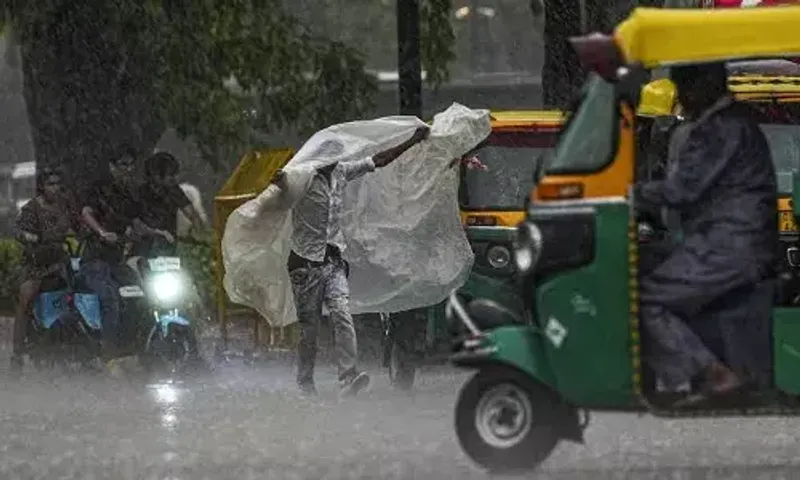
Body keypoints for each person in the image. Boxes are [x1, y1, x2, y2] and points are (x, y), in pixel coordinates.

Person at [634, 62, 778, 405]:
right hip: (729, 240)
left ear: (707, 85)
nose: (682, 98)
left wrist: (626, 195)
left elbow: (683, 190)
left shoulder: (722, 128)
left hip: (730, 245)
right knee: (650, 263)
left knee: (648, 299)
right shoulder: (731, 122)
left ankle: (713, 375)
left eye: (685, 88)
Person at [273, 127, 430, 396]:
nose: (334, 160)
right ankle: (305, 383)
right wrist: (279, 183)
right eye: (329, 156)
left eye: (337, 155)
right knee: (309, 332)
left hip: (333, 262)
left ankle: (348, 377)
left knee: (342, 316)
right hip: (305, 265)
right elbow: (279, 190)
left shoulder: (341, 172)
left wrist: (413, 140)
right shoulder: (301, 178)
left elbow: (378, 160)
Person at [79, 146, 172, 368]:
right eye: (123, 165)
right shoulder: (100, 189)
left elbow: (136, 223)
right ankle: (108, 354)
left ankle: (137, 348)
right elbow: (86, 213)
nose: (128, 169)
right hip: (95, 261)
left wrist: (159, 233)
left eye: (131, 165)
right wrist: (102, 232)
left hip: (117, 261)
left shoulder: (130, 194)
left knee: (143, 293)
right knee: (109, 297)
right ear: (112, 167)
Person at [10, 167, 77, 371]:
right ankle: (17, 353)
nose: (55, 188)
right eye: (50, 184)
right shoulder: (32, 208)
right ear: (41, 187)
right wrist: (36, 239)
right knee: (26, 297)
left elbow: (78, 225)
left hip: (62, 261)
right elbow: (20, 232)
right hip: (37, 265)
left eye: (58, 183)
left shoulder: (65, 206)